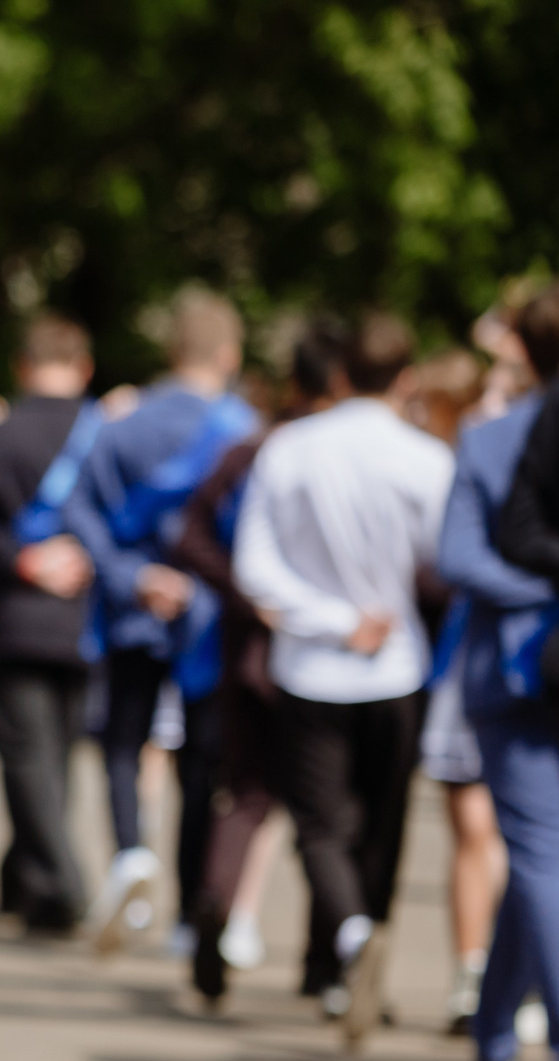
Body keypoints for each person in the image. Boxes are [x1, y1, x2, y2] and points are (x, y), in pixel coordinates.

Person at [235, 311, 454, 1049]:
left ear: (337, 375)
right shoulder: (424, 458)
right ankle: (362, 949)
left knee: (321, 825)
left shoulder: (288, 450)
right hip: (395, 665)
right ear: (407, 378)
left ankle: (350, 943)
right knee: (381, 827)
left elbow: (255, 566)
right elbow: (444, 557)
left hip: (312, 666)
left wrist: (327, 617)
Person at [63, 285, 258, 953]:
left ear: (172, 351)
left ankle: (129, 855)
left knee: (124, 739)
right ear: (227, 354)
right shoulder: (244, 431)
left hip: (133, 608)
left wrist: (132, 576)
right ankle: (186, 913)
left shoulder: (121, 425)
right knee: (202, 765)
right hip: (208, 620)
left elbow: (77, 509)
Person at [445, 282, 559, 1061]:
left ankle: (514, 1029)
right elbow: (463, 554)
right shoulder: (498, 436)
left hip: (526, 667)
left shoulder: (497, 435)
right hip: (529, 666)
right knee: (544, 855)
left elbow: (462, 557)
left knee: (539, 857)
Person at [176, 321, 352, 1006]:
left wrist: (243, 595)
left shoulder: (252, 451)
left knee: (246, 794)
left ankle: (214, 905)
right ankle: (325, 962)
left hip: (249, 650)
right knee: (329, 812)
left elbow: (188, 534)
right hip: (328, 658)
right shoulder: (314, 455)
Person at [0, 313, 98, 935]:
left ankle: (64, 884)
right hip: (82, 618)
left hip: (11, 617)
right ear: (83, 368)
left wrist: (22, 559)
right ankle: (31, 885)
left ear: (22, 367)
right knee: (55, 758)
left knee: (27, 759)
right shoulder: (105, 437)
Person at [400, 350, 504, 1033]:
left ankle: (503, 983)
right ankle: (475, 978)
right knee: (477, 827)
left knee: (513, 835)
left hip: (500, 663)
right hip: (466, 661)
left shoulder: (484, 452)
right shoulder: (453, 463)